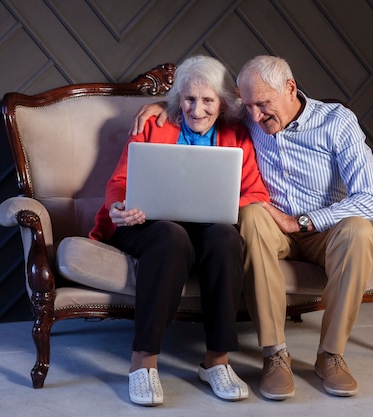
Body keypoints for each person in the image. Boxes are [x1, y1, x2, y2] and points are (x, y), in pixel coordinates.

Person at [131, 55, 373, 400]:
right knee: (249, 215)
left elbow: (372, 199)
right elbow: (202, 104)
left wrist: (303, 222)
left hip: (325, 229)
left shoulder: (337, 122)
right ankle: (274, 353)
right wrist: (164, 104)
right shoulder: (248, 120)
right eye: (247, 105)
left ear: (290, 89)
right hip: (271, 226)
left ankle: (331, 355)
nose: (255, 115)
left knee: (360, 231)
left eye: (263, 104)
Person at [89, 55, 270, 406]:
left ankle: (216, 361)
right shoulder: (154, 125)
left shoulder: (237, 134)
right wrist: (118, 207)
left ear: (222, 103)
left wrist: (225, 208)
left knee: (225, 237)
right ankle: (143, 363)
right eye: (189, 99)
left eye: (207, 101)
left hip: (207, 228)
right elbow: (120, 182)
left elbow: (256, 194)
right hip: (147, 224)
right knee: (172, 237)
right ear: (178, 99)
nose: (197, 110)